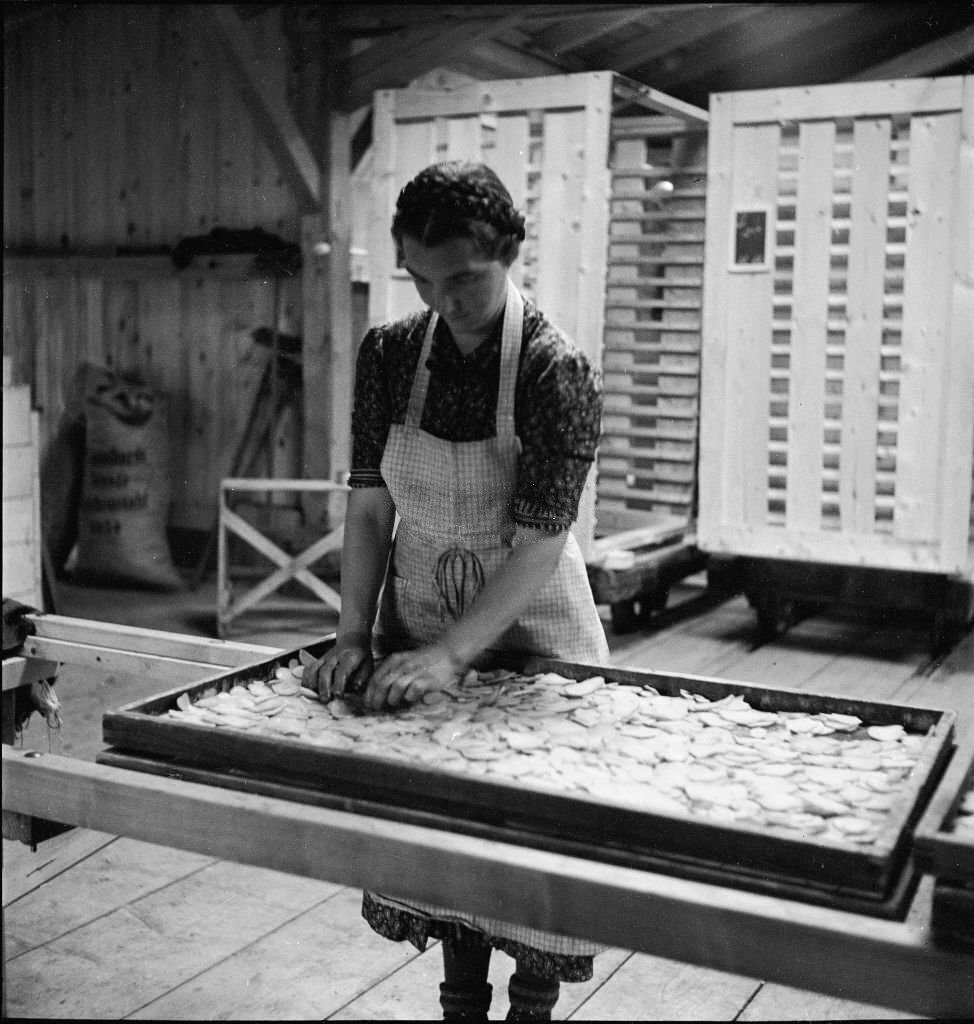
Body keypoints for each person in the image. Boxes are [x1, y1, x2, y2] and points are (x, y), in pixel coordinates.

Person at [314, 160, 609, 1022]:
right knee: (444, 832)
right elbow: (369, 512)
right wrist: (354, 636)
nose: (446, 301)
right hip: (420, 616)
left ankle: (532, 1006)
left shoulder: (555, 371)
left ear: (510, 251)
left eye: (467, 280)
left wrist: (450, 653)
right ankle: (458, 1003)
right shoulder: (390, 356)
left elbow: (541, 543)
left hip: (535, 627)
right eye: (424, 280)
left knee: (534, 844)